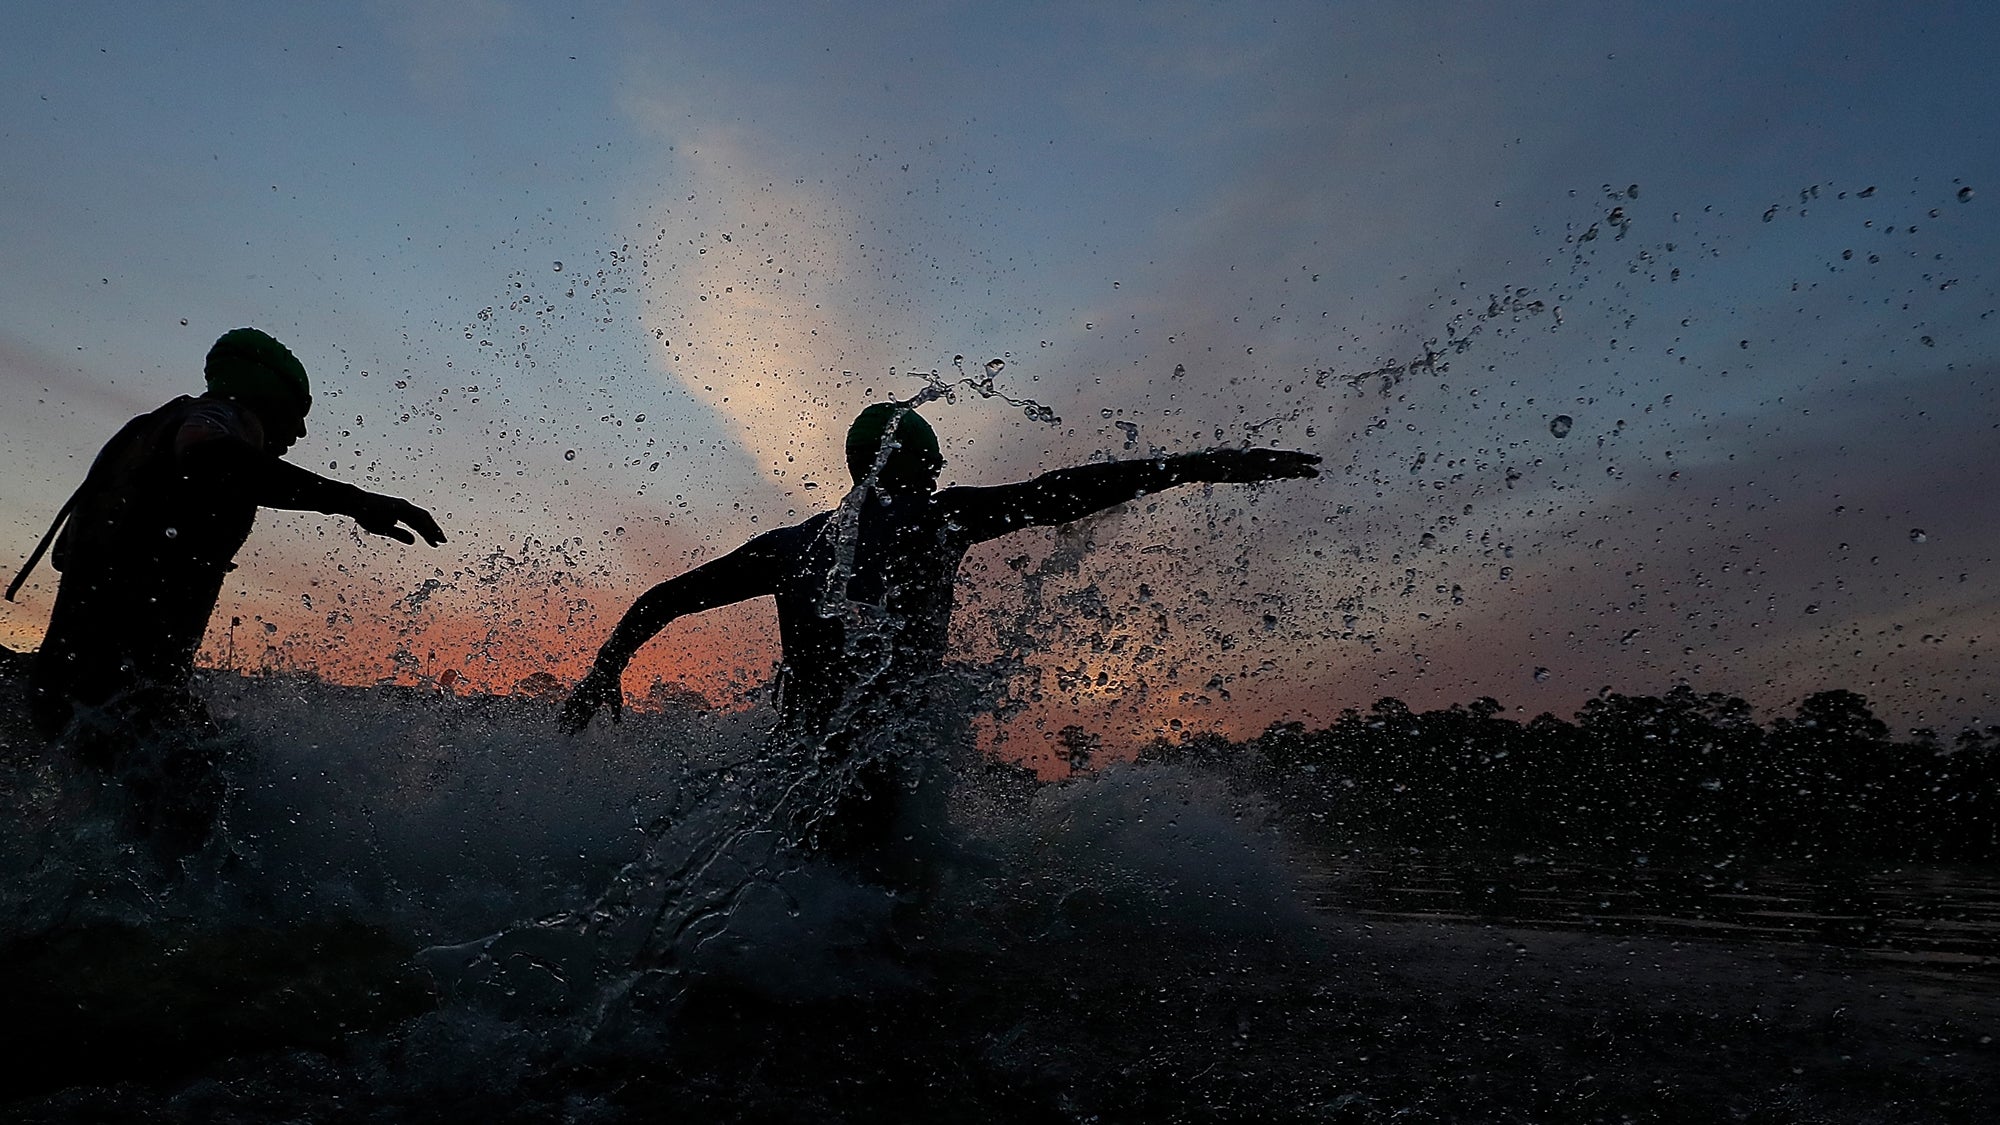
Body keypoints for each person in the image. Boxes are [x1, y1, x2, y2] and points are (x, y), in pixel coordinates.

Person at [561, 402, 1318, 874]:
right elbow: (1073, 488)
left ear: (856, 467)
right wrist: (1200, 467)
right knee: (876, 910)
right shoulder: (942, 516)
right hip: (881, 769)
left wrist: (606, 668)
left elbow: (662, 598)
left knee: (788, 882)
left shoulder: (790, 545)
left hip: (796, 764)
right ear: (926, 467)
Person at [9, 328, 446, 855]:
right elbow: (207, 454)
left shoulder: (139, 437)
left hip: (64, 689)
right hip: (122, 691)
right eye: (296, 412)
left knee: (126, 836)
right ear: (264, 396)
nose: (301, 432)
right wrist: (352, 500)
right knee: (217, 815)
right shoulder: (221, 417)